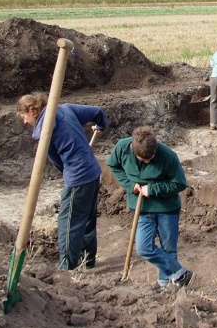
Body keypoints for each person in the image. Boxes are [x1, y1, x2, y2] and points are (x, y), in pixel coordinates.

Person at [17, 92, 109, 270]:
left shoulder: (45, 129)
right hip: (92, 172)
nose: (25, 121)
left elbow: (57, 161)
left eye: (24, 116)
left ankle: (66, 267)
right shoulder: (65, 109)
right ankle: (88, 261)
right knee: (87, 219)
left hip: (78, 177)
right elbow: (97, 111)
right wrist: (101, 125)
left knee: (68, 223)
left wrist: (69, 174)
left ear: (32, 110)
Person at [106, 126, 193, 289]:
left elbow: (179, 183)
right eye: (143, 159)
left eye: (151, 158)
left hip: (166, 209)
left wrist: (152, 189)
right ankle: (180, 273)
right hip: (142, 209)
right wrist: (129, 184)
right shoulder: (122, 148)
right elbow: (114, 166)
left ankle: (164, 284)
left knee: (168, 248)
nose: (147, 162)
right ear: (133, 149)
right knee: (144, 248)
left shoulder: (168, 156)